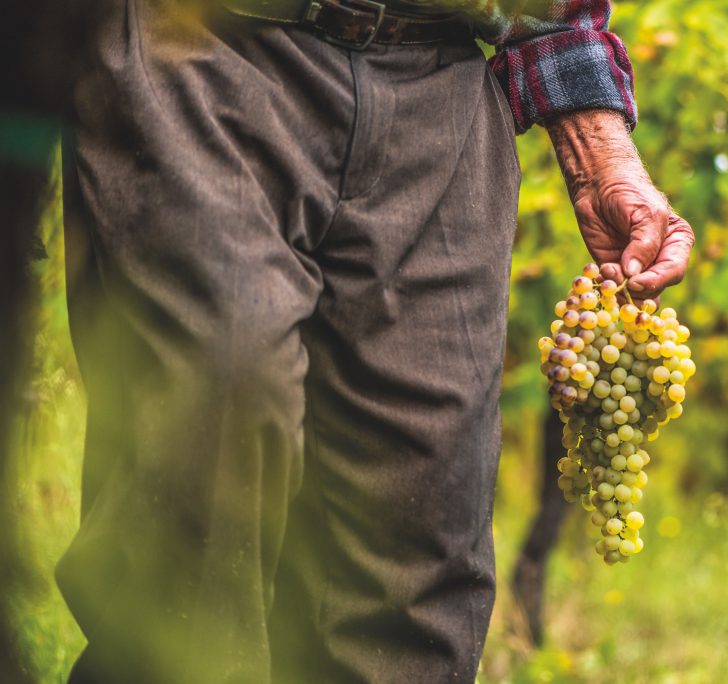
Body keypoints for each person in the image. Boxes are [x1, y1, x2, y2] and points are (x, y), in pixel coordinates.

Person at [58, 0, 694, 681]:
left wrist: (597, 140)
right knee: (211, 427)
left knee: (419, 545)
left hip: (438, 78)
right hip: (200, 44)